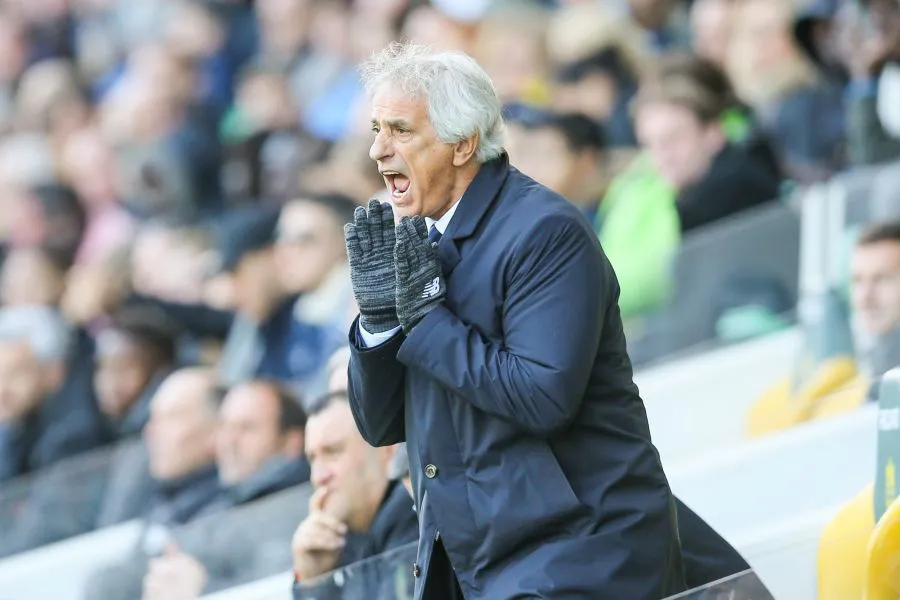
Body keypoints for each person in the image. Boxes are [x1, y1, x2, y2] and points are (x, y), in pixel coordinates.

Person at [345, 41, 686, 599]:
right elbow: (381, 426)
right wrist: (380, 322)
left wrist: (427, 322)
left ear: (463, 143)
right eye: (376, 130)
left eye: (400, 130)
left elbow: (543, 397)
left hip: (581, 556)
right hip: (480, 564)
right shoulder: (418, 242)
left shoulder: (544, 232)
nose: (378, 150)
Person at [291, 391, 418, 598]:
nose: (319, 476)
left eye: (333, 451)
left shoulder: (411, 516)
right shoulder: (341, 542)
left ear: (387, 451)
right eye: (312, 458)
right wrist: (313, 580)